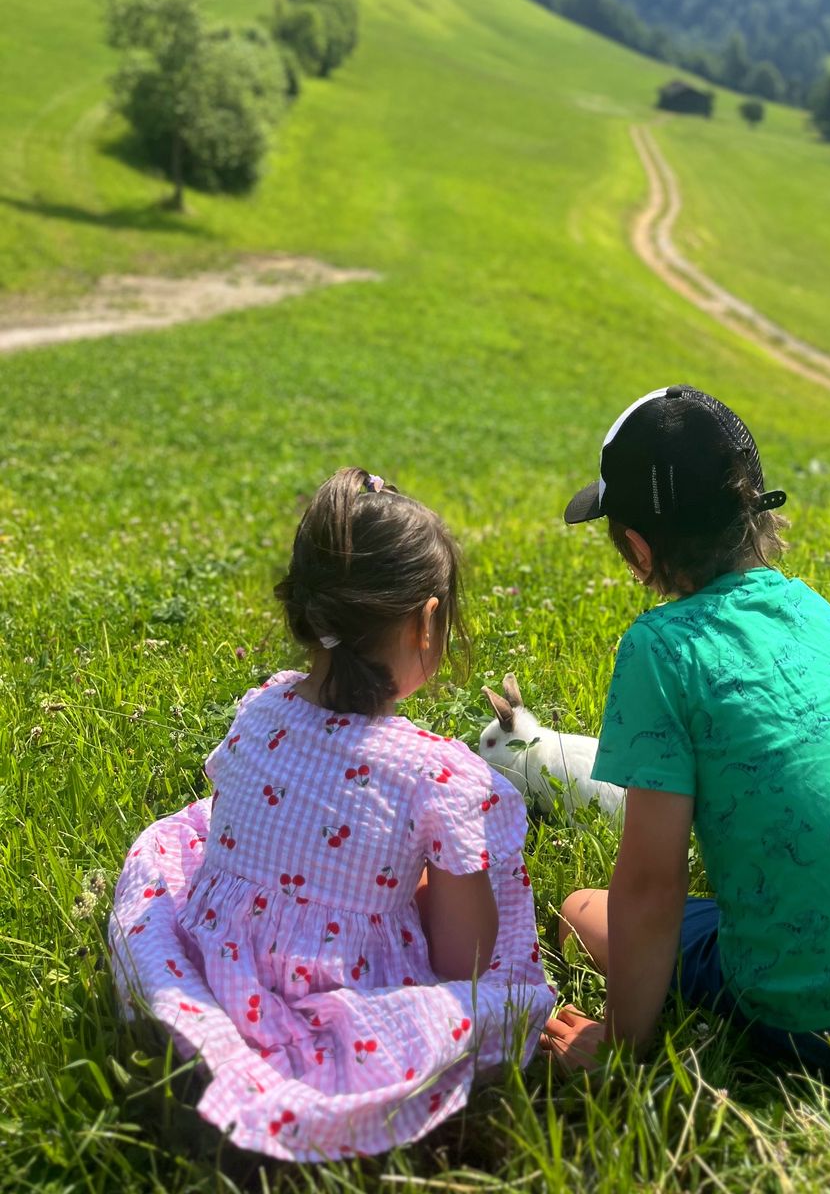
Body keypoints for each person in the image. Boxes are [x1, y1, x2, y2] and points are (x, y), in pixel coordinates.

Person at [109, 468, 554, 1161]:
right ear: (428, 621)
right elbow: (462, 959)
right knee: (502, 992)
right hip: (339, 987)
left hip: (220, 954)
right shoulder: (440, 777)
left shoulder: (262, 708)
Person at [543, 386, 830, 1076]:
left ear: (637, 547)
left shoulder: (660, 649)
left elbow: (651, 890)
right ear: (752, 507)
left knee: (579, 912)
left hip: (828, 1017)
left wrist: (622, 1048)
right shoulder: (807, 602)